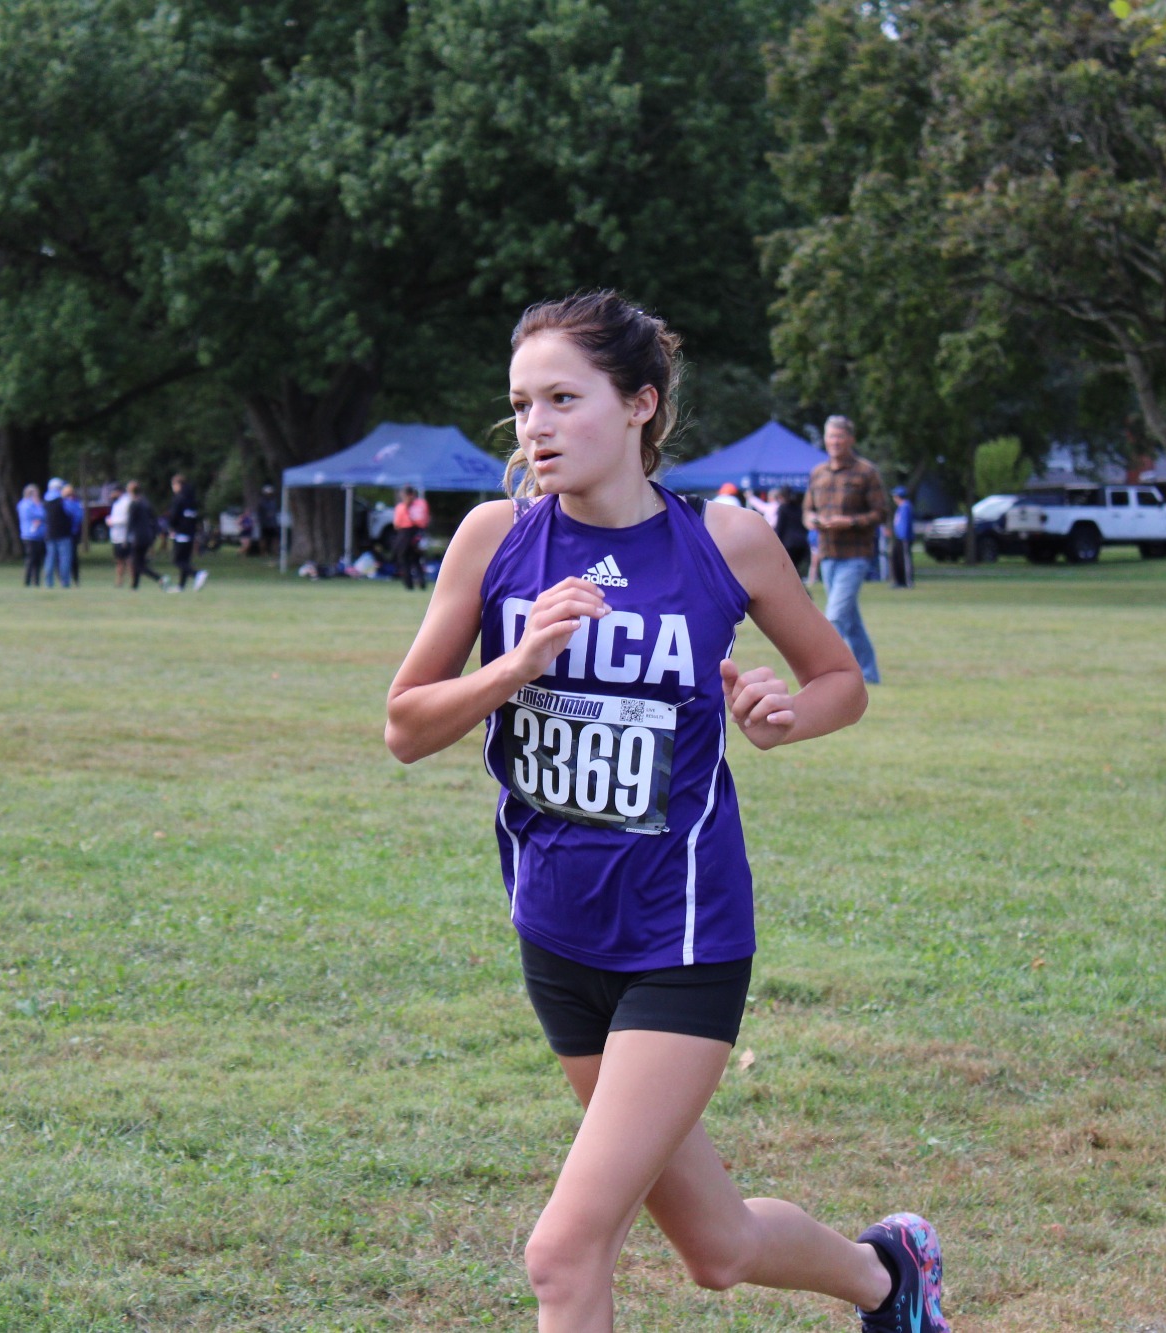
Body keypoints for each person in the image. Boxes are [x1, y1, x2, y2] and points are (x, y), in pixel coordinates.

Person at [384, 291, 947, 1331]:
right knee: (716, 1247)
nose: (535, 426)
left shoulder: (723, 540)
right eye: (521, 404)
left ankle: (890, 1279)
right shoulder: (492, 537)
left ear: (640, 403)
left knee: (562, 1251)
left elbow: (837, 681)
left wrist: (782, 716)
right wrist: (515, 664)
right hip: (556, 933)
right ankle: (889, 1276)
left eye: (563, 397)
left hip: (679, 936)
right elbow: (405, 725)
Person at [803, 416, 887, 684]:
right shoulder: (818, 472)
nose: (835, 442)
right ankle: (869, 674)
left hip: (856, 555)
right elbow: (807, 510)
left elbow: (881, 512)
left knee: (836, 616)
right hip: (828, 555)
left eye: (840, 437)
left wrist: (848, 522)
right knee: (851, 620)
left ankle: (824, 675)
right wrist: (812, 521)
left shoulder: (866, 472)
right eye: (830, 437)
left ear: (851, 439)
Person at [165, 474, 207, 591]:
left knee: (177, 560)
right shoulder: (191, 498)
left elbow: (174, 516)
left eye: (173, 485)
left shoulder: (179, 498)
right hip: (190, 532)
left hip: (180, 532)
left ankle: (197, 574)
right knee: (185, 560)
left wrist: (171, 527)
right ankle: (181, 586)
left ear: (178, 485)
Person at [124, 481, 161, 590]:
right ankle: (134, 586)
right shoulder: (146, 502)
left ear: (131, 491)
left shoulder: (134, 504)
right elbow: (154, 519)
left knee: (137, 564)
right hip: (147, 536)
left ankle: (159, 578)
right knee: (138, 561)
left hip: (138, 537)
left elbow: (130, 523)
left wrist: (126, 538)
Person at [392, 485, 429, 590]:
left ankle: (409, 584)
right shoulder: (422, 504)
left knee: (404, 559)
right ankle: (421, 582)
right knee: (417, 559)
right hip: (418, 533)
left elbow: (397, 524)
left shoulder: (401, 507)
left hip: (405, 534)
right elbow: (425, 519)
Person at [42, 482, 74, 588]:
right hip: (63, 534)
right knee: (64, 559)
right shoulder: (62, 501)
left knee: (50, 559)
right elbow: (71, 513)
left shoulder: (45, 501)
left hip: (49, 534)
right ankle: (64, 582)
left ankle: (48, 583)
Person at [16, 485, 47, 587]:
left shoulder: (23, 504)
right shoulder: (29, 505)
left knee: (36, 559)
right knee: (32, 559)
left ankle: (35, 581)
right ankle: (29, 581)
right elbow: (43, 515)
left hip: (34, 534)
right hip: (31, 535)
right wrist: (38, 505)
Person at [888, 486, 914, 589]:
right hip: (899, 537)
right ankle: (898, 581)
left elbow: (905, 524)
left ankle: (907, 581)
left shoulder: (906, 506)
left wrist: (904, 536)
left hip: (904, 538)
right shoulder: (900, 507)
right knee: (896, 559)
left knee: (904, 559)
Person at [107, 485, 133, 586]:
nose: (111, 495)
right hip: (116, 537)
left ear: (118, 492)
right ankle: (119, 581)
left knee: (129, 560)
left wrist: (113, 522)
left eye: (113, 492)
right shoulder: (116, 503)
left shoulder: (126, 502)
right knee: (119, 560)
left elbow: (126, 519)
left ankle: (132, 580)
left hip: (125, 537)